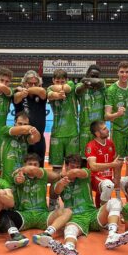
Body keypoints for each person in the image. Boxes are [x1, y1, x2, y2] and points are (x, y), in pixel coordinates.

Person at [46, 154, 128, 255]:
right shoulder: (60, 182)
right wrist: (61, 182)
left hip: (92, 214)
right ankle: (69, 248)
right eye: (72, 166)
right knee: (70, 229)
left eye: (78, 166)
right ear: (66, 165)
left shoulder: (85, 173)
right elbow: (57, 190)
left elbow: (76, 172)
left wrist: (64, 174)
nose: (75, 169)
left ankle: (112, 235)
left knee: (115, 202)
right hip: (75, 218)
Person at [0, 153, 71, 250]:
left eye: (35, 164)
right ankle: (16, 236)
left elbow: (54, 176)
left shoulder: (42, 174)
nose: (32, 167)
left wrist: (26, 168)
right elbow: (18, 179)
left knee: (68, 211)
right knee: (4, 213)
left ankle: (47, 234)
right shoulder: (19, 174)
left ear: (39, 166)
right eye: (30, 164)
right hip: (24, 215)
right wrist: (19, 178)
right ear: (24, 164)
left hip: (43, 216)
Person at [105, 61, 128, 178]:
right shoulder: (111, 90)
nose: (124, 74)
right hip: (118, 132)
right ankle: (117, 188)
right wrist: (117, 114)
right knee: (118, 162)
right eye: (122, 72)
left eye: (127, 72)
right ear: (117, 73)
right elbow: (106, 116)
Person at [47, 68, 79, 209]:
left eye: (62, 81)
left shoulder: (70, 85)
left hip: (72, 133)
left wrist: (59, 90)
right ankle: (53, 202)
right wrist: (57, 94)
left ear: (66, 80)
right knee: (56, 172)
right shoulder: (49, 89)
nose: (60, 83)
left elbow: (66, 88)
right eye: (57, 81)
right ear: (53, 80)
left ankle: (72, 200)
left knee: (73, 168)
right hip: (57, 135)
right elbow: (50, 95)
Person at [85, 120, 124, 205]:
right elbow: (93, 167)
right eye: (104, 129)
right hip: (94, 178)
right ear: (97, 133)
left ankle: (102, 208)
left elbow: (116, 162)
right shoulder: (91, 146)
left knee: (124, 182)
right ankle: (103, 210)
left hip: (107, 179)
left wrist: (116, 178)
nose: (107, 130)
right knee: (108, 185)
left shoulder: (110, 143)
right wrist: (112, 164)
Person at [13, 70, 47, 164]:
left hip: (38, 139)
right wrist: (21, 91)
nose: (33, 85)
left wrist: (25, 89)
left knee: (38, 168)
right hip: (21, 139)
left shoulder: (41, 95)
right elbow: (16, 98)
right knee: (20, 166)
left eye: (35, 83)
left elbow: (42, 91)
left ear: (39, 84)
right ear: (24, 83)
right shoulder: (19, 94)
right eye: (30, 83)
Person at [0, 111, 41, 186]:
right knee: (7, 190)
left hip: (22, 174)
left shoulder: (25, 137)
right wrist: (30, 128)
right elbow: (24, 129)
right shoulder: (5, 130)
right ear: (15, 123)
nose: (22, 126)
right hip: (7, 174)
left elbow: (36, 139)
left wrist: (35, 132)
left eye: (25, 124)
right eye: (20, 123)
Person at [76, 64, 106, 156]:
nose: (94, 78)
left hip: (99, 130)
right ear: (87, 74)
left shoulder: (102, 86)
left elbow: (99, 82)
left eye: (96, 76)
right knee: (84, 157)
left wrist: (86, 80)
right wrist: (84, 85)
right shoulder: (81, 86)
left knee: (99, 157)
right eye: (92, 75)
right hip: (84, 129)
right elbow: (77, 90)